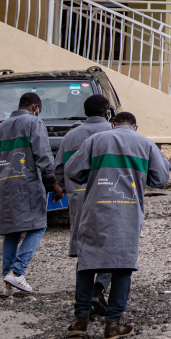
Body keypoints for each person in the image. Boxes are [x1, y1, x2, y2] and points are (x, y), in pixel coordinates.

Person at [64, 112, 170, 339]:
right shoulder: (146, 144)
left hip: (95, 211)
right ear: (135, 126)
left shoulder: (95, 140)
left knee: (87, 263)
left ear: (113, 124)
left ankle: (80, 321)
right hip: (127, 214)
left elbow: (72, 171)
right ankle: (112, 325)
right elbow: (161, 178)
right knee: (122, 266)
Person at [0, 91, 60, 295]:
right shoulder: (34, 123)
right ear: (35, 107)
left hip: (4, 186)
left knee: (12, 232)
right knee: (38, 226)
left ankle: (9, 281)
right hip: (26, 184)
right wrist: (53, 182)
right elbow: (43, 155)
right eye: (39, 110)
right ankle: (18, 272)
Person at [54, 94, 114, 313]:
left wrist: (66, 187)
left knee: (85, 245)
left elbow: (59, 168)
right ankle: (100, 288)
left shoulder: (71, 136)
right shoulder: (112, 133)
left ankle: (85, 296)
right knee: (109, 244)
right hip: (108, 195)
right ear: (107, 112)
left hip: (78, 196)